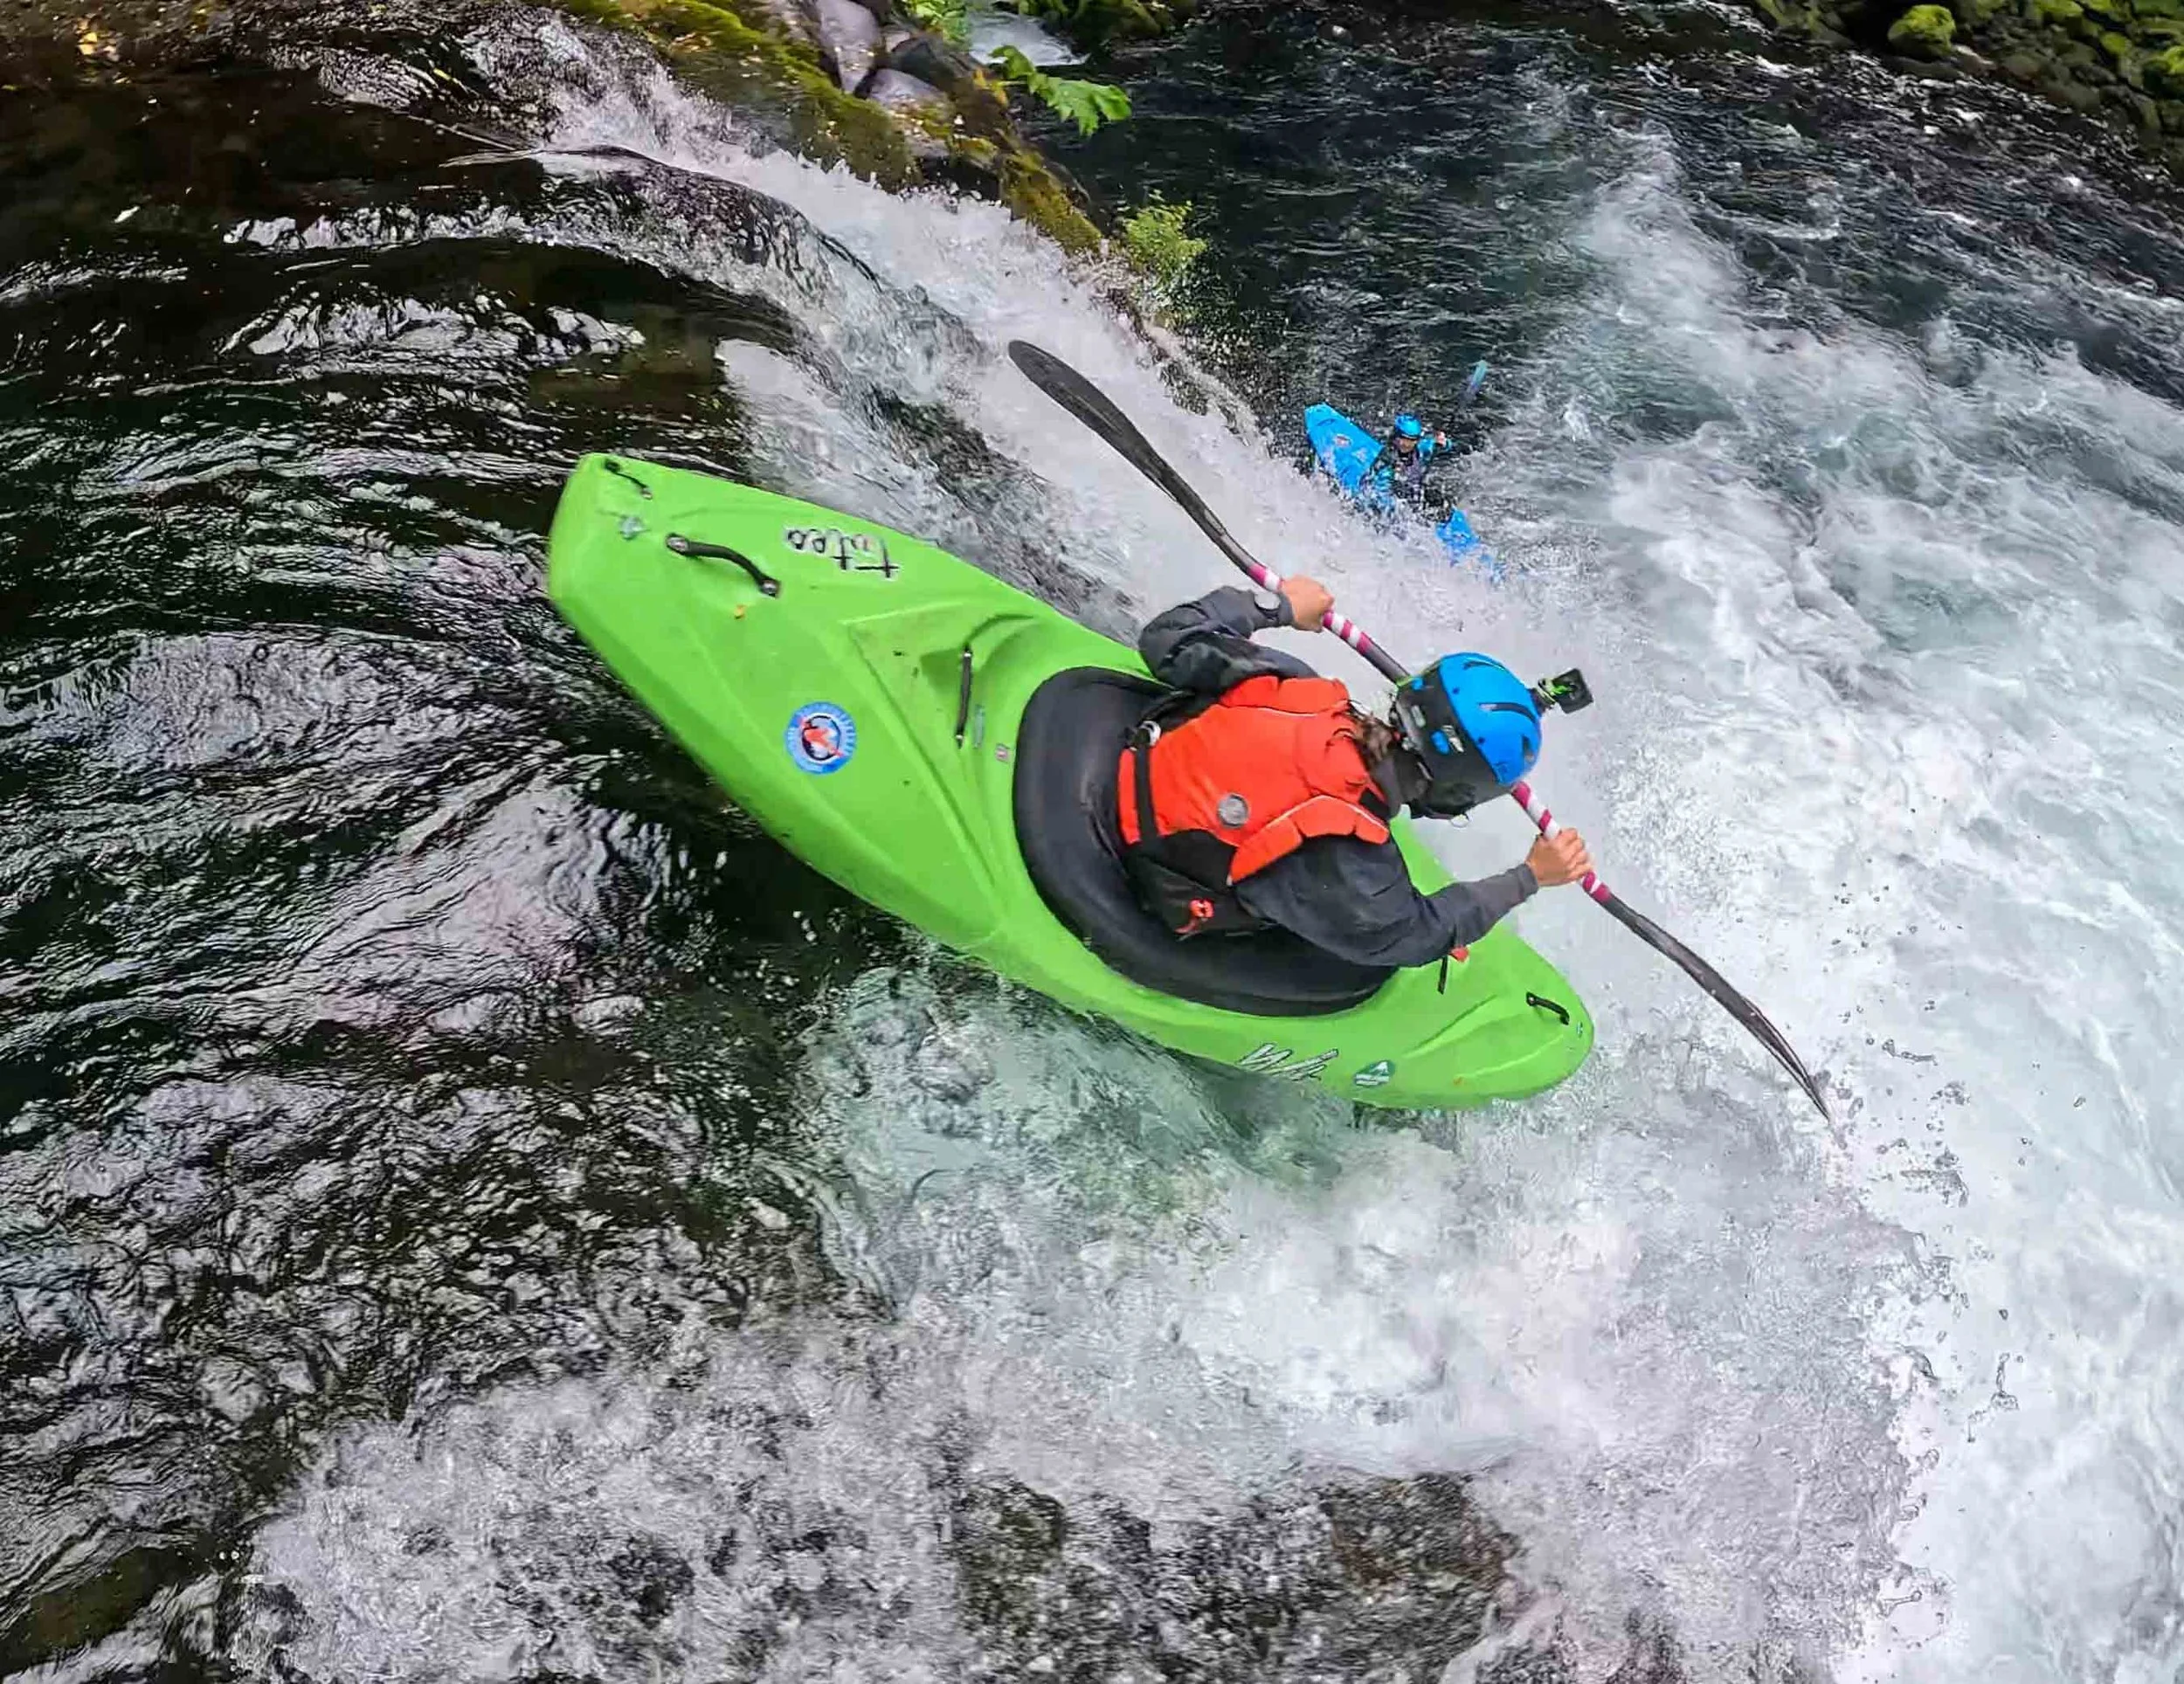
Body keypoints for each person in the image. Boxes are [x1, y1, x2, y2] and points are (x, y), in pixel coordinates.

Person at [1115, 576, 1593, 970]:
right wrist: (1530, 876)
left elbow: (1166, 639)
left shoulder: (1297, 685)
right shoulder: (1356, 864)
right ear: (1462, 793)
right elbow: (1419, 935)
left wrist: (1273, 606)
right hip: (1148, 871)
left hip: (1128, 771)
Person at [1366, 412, 1449, 507]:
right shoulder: (1388, 460)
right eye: (1404, 439)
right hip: (1394, 495)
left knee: (1438, 500)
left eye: (1412, 440)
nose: (1407, 445)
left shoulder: (1420, 449)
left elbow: (1439, 445)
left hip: (1414, 489)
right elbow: (1378, 490)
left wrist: (1444, 443)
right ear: (1395, 436)